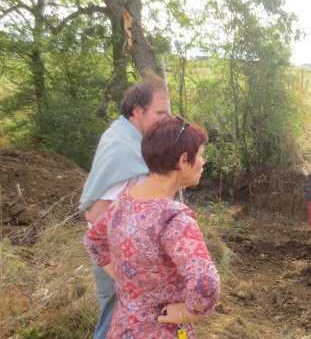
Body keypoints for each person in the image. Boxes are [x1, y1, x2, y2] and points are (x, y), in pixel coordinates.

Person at [84, 116, 220, 338]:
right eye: (201, 156)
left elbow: (93, 241)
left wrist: (126, 281)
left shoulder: (123, 201)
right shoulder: (175, 220)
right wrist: (186, 314)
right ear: (184, 160)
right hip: (160, 330)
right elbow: (206, 285)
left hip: (123, 326)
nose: (203, 163)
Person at [78, 72, 170, 339]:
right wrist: (127, 264)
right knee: (114, 322)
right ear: (138, 110)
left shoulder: (129, 138)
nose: (164, 120)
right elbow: (96, 214)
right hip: (118, 259)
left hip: (123, 257)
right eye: (160, 113)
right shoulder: (123, 148)